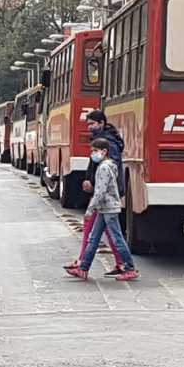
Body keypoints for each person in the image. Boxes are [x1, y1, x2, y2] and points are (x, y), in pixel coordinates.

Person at [63, 110, 126, 277]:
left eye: (93, 124)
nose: (90, 127)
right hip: (103, 193)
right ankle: (123, 264)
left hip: (104, 194)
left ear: (102, 123)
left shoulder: (108, 144)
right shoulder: (105, 141)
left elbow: (107, 170)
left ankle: (82, 265)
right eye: (89, 124)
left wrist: (94, 186)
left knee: (91, 229)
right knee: (108, 232)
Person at [66, 138, 139, 282]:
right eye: (92, 151)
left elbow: (100, 191)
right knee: (93, 238)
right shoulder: (108, 166)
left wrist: (90, 209)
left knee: (117, 239)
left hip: (109, 208)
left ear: (104, 151)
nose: (92, 154)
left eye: (95, 151)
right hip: (104, 208)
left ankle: (129, 268)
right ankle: (83, 268)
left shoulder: (104, 167)